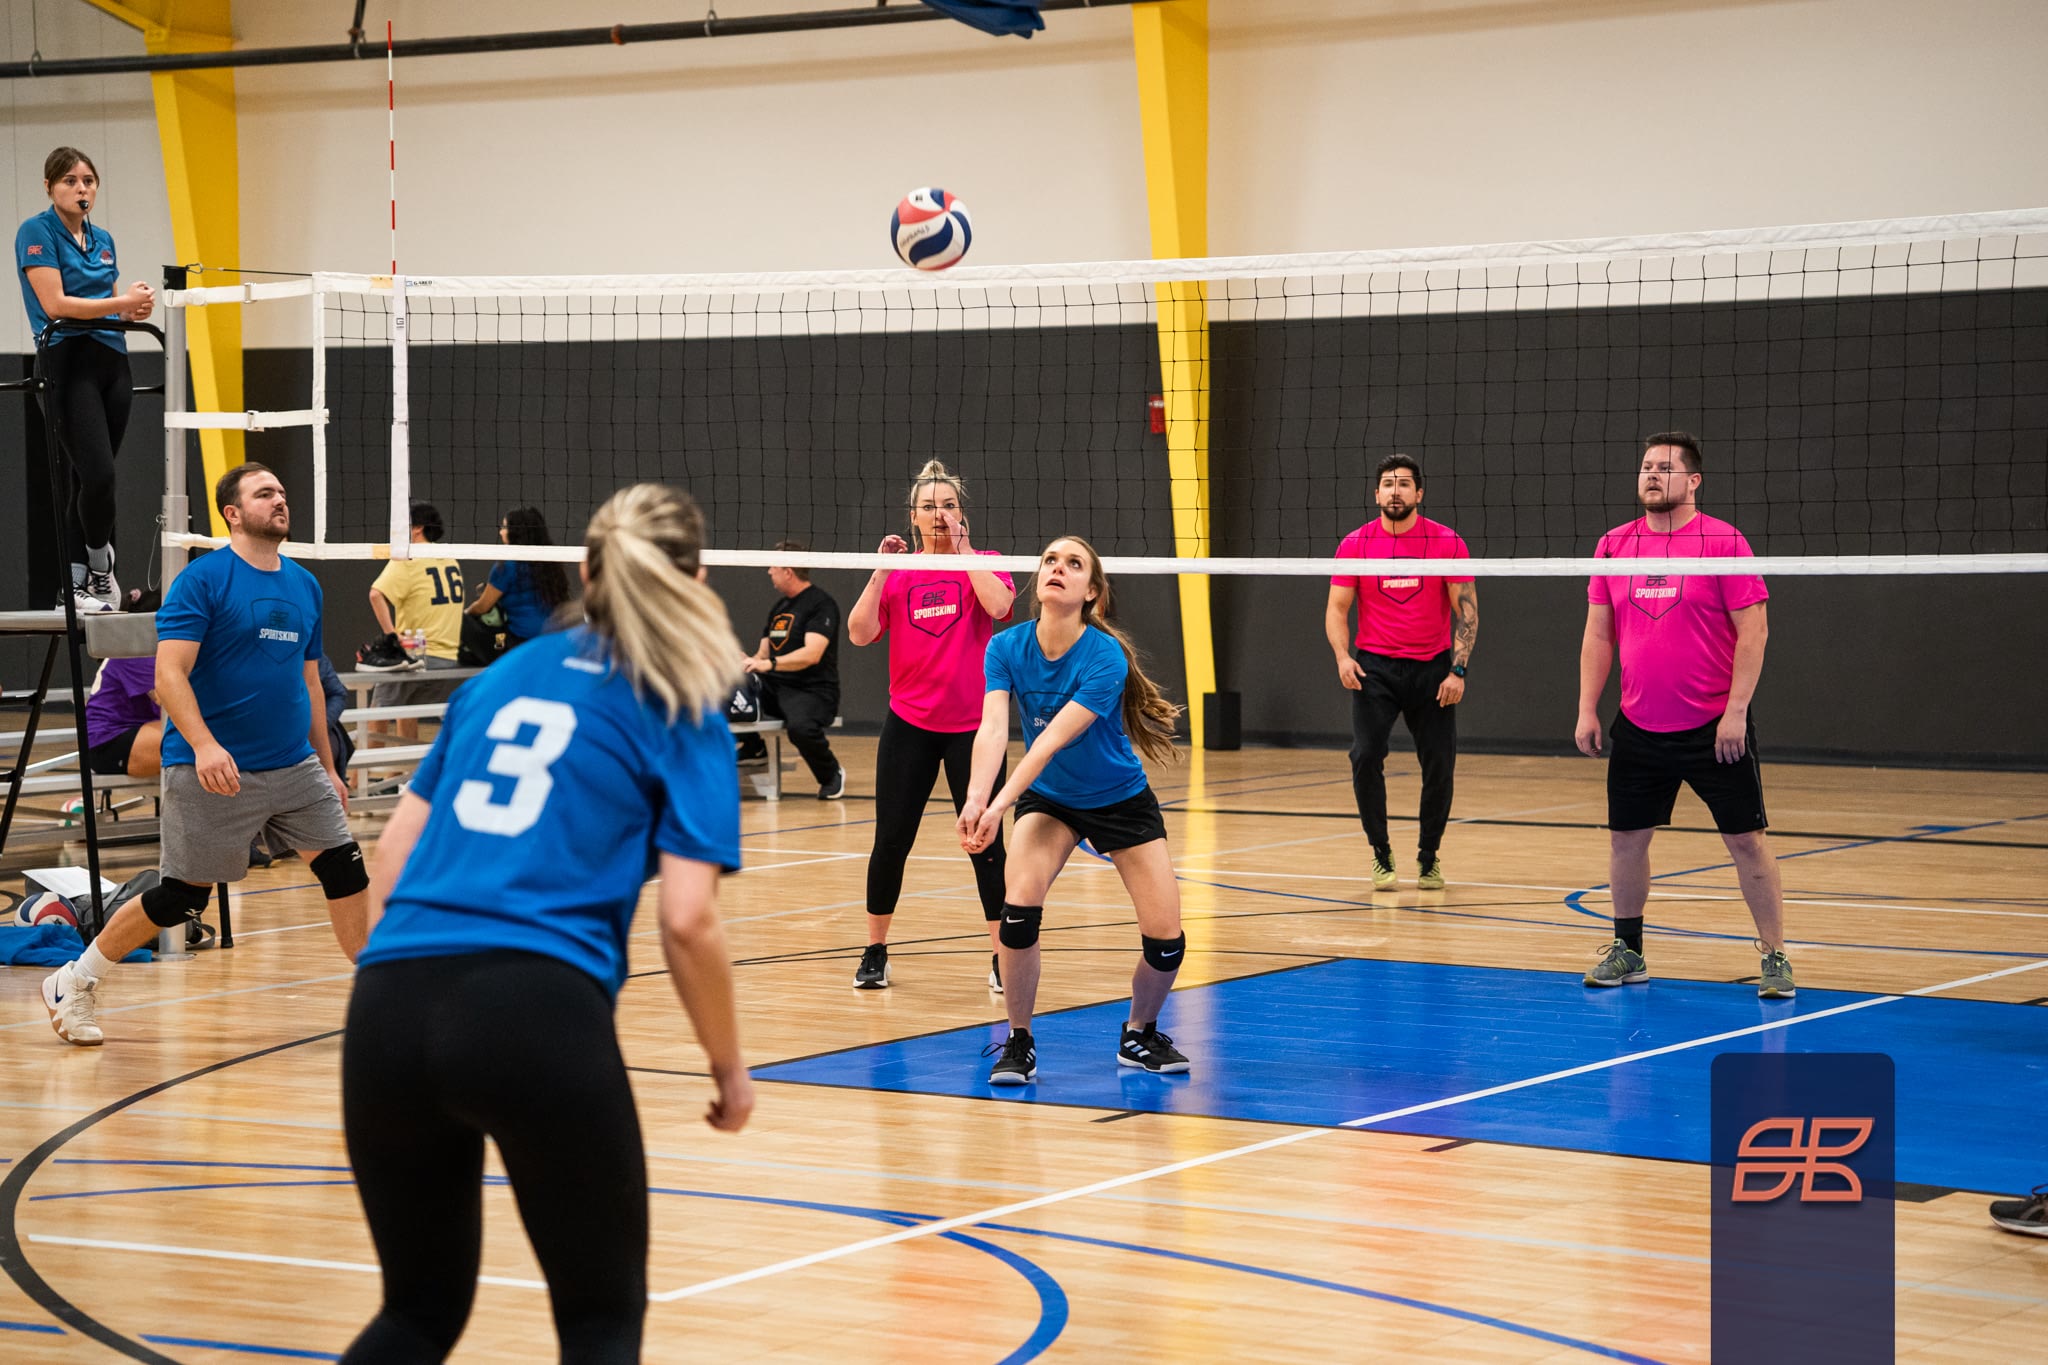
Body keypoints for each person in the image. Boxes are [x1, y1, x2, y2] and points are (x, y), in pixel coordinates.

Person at [342, 483, 752, 1364]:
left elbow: (391, 862)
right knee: (600, 1324)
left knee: (415, 1313)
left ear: (587, 571)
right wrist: (729, 1065)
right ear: (697, 577)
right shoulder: (682, 697)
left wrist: (404, 993)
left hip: (388, 1001)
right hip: (533, 1006)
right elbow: (688, 920)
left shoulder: (501, 679)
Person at [40, 464, 370, 1047]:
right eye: (265, 493)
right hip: (212, 767)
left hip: (294, 765)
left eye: (282, 491)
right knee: (181, 898)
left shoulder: (304, 586)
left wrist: (329, 764)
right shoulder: (205, 579)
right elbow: (169, 675)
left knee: (344, 869)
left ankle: (376, 997)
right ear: (233, 513)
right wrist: (204, 744)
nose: (280, 499)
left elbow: (312, 684)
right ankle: (75, 979)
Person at [958, 536, 1189, 1085]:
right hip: (1051, 801)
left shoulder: (1105, 656)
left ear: (1092, 594)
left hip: (1118, 799)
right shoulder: (1006, 647)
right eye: (1050, 561)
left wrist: (998, 806)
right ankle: (1019, 1040)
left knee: (1167, 943)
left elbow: (1048, 742)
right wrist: (974, 798)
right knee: (1018, 913)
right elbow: (992, 729)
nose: (1058, 569)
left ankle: (1139, 1033)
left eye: (1074, 564)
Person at [1575, 431, 1794, 998]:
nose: (1650, 475)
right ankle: (1629, 950)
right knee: (1627, 841)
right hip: (1639, 724)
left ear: (1693, 480)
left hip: (1712, 728)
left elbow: (1755, 630)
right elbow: (1599, 631)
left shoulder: (1723, 542)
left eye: (1664, 468)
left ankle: (1774, 955)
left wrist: (1735, 712)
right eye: (1645, 467)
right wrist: (1587, 708)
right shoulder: (1614, 545)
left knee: (1747, 842)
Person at [844, 460, 1014, 990]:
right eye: (928, 506)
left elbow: (1002, 605)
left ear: (961, 513)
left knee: (986, 843)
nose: (939, 515)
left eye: (948, 505)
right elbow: (859, 632)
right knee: (891, 840)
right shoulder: (900, 571)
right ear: (912, 517)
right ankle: (875, 950)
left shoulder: (984, 562)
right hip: (909, 725)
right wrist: (879, 573)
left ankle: (1001, 956)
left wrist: (964, 553)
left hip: (973, 729)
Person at [1325, 454, 1477, 892]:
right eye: (1389, 484)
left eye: (1405, 484)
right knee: (1365, 755)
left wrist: (1458, 670)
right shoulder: (1356, 544)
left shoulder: (1446, 542)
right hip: (1375, 668)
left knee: (1440, 764)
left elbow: (1467, 612)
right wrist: (1342, 656)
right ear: (1376, 494)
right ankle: (1380, 851)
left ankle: (1428, 856)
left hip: (1433, 668)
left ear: (1419, 494)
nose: (1396, 491)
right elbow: (1337, 609)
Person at [16, 146, 155, 615]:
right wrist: (118, 304)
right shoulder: (36, 231)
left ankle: (84, 584)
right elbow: (56, 304)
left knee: (91, 479)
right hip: (64, 360)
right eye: (71, 181)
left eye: (89, 181)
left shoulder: (104, 238)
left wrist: (133, 308)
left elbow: (110, 303)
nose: (81, 189)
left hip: (111, 360)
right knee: (98, 472)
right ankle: (97, 571)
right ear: (50, 187)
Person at [738, 541, 844, 800]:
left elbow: (812, 653)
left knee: (800, 728)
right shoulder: (779, 608)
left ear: (788, 570)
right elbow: (762, 655)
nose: (769, 572)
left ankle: (831, 775)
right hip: (775, 687)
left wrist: (770, 664)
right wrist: (744, 661)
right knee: (731, 689)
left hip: (812, 689)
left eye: (773, 566)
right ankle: (754, 750)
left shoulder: (821, 604)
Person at [358, 502, 466, 742]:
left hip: (417, 656)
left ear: (417, 528)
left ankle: (356, 780)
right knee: (406, 713)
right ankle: (399, 774)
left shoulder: (409, 557)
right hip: (447, 660)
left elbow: (376, 594)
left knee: (377, 713)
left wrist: (392, 637)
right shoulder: (449, 558)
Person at [465, 505, 572, 651]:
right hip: (558, 637)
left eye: (504, 527)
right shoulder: (550, 562)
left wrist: (465, 615)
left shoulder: (506, 566)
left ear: (516, 532)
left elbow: (483, 607)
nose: (500, 531)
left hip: (522, 641)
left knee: (466, 622)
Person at [83, 656, 161, 779]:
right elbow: (169, 700)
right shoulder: (135, 653)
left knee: (190, 735)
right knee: (186, 738)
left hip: (138, 730)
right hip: (108, 741)